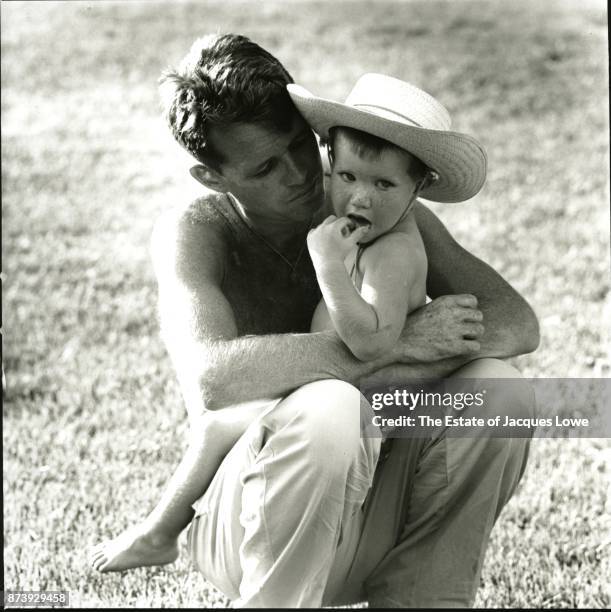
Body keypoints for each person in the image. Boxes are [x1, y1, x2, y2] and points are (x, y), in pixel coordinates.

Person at [90, 34, 539, 608]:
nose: (301, 174)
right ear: (214, 177)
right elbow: (213, 378)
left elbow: (516, 324)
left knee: (501, 392)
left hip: (368, 508)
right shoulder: (197, 231)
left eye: (301, 146)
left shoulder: (371, 204)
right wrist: (392, 346)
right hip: (249, 527)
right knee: (330, 407)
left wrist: (374, 357)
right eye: (266, 167)